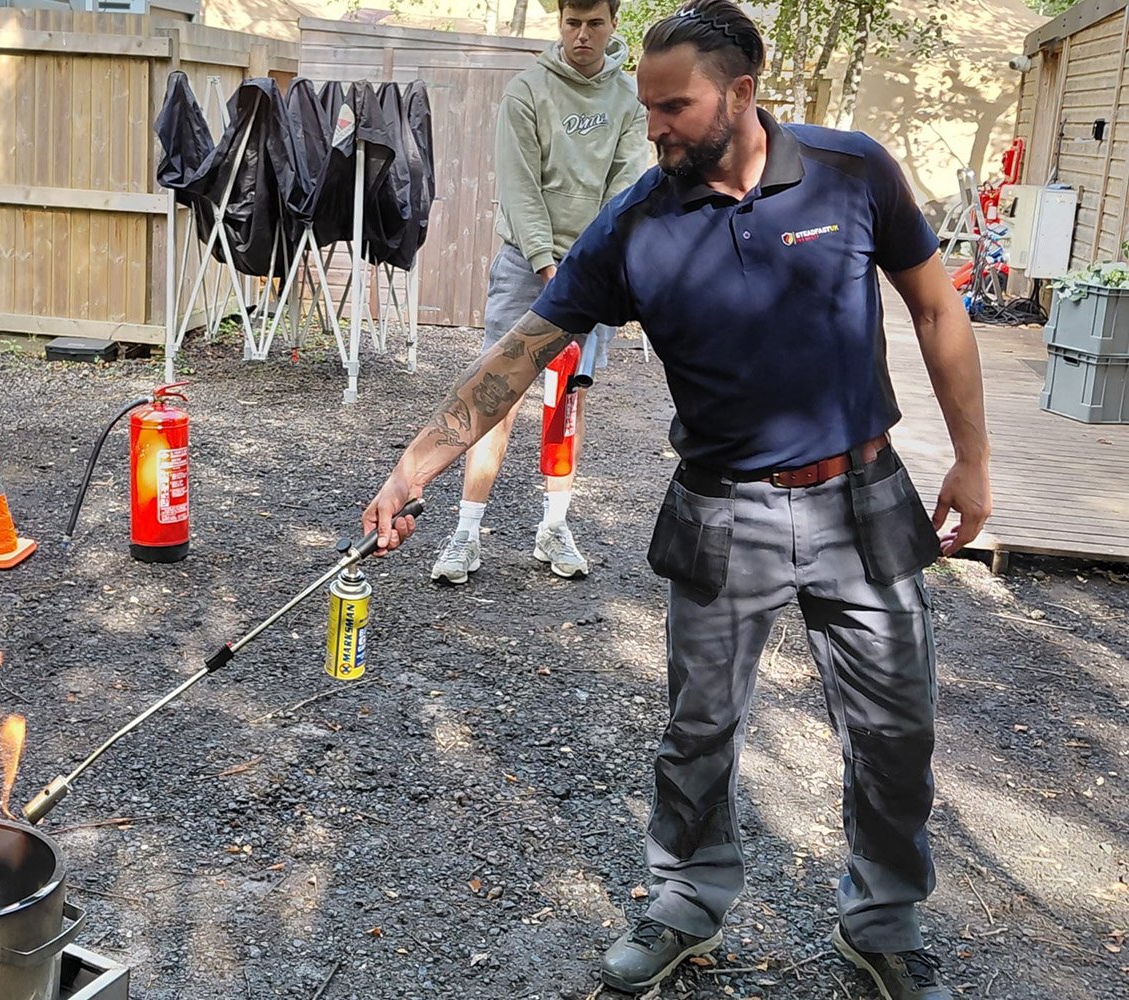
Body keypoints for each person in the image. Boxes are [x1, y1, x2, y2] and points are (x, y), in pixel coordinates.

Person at [364, 2, 992, 998]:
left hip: (861, 492)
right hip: (720, 506)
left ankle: (881, 920)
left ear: (741, 94)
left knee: (895, 725)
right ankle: (686, 902)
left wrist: (971, 456)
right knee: (697, 730)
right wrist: (415, 466)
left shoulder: (851, 171)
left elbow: (934, 303)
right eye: (646, 104)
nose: (651, 125)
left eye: (672, 106)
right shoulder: (637, 221)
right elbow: (523, 353)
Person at [430, 0, 650, 585]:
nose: (583, 35)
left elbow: (626, 187)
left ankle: (553, 527)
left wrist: (591, 270)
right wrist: (549, 266)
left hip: (594, 267)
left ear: (612, 24)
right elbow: (520, 185)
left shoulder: (628, 101)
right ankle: (466, 532)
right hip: (526, 266)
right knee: (495, 397)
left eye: (595, 23)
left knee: (567, 401)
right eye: (573, 22)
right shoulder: (527, 91)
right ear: (560, 22)